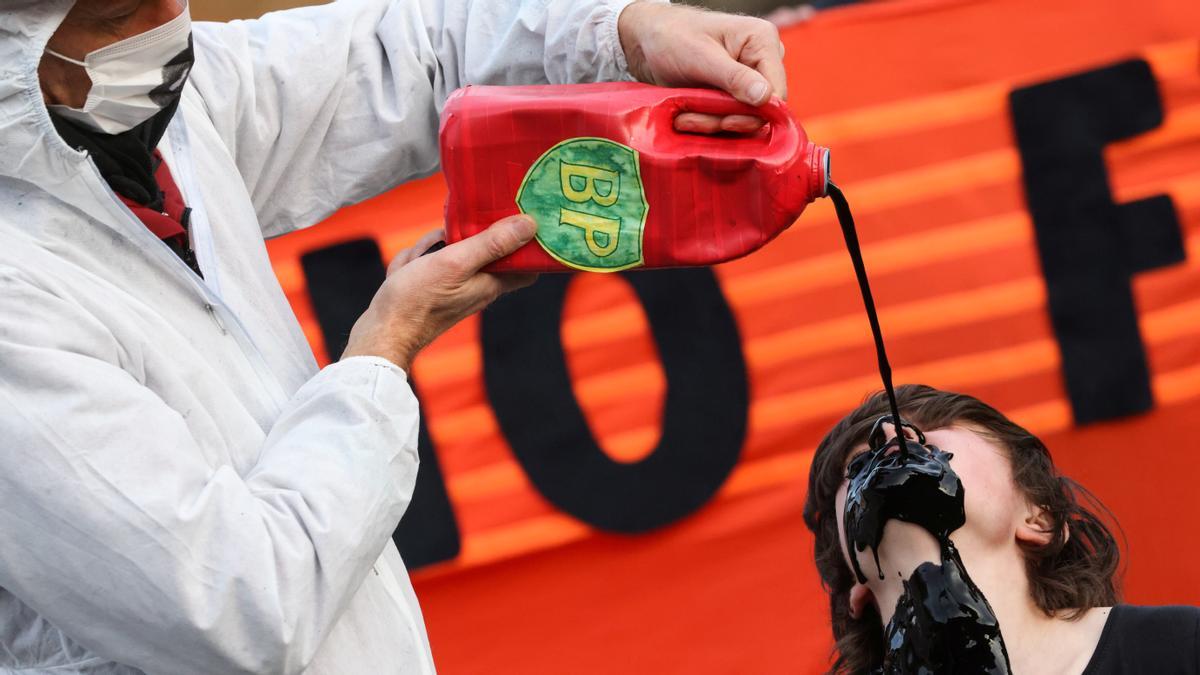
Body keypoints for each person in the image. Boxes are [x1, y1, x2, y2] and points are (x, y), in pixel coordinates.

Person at [0, 0, 790, 672]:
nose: (173, 20)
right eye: (123, 9)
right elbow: (241, 602)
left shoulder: (141, 111)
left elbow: (410, 52)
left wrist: (622, 30)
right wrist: (385, 348)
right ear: (21, 49)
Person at [803, 384, 1200, 674]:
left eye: (936, 426)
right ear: (854, 584)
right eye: (857, 466)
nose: (891, 435)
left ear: (1039, 518)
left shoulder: (1182, 649)